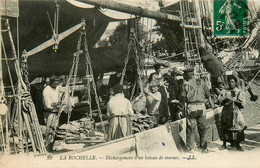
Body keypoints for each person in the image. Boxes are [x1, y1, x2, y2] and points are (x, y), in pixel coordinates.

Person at [179, 68, 211, 153]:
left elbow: (183, 98)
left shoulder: (186, 84)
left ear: (187, 75)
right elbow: (208, 94)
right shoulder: (201, 82)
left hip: (191, 107)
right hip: (201, 107)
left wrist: (180, 108)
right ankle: (204, 148)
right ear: (193, 74)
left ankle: (191, 148)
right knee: (202, 128)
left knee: (190, 129)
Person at [218, 75, 247, 151]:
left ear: (235, 83)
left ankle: (238, 144)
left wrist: (235, 100)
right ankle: (224, 144)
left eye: (232, 82)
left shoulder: (238, 91)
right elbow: (219, 101)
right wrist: (226, 99)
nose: (231, 83)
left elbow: (242, 103)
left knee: (237, 127)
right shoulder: (224, 91)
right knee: (224, 127)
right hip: (226, 111)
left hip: (235, 111)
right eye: (229, 82)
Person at [42, 75, 62, 151]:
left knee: (54, 132)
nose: (56, 85)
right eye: (55, 84)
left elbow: (61, 91)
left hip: (56, 113)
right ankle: (48, 149)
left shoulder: (56, 88)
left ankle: (52, 147)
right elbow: (48, 105)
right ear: (51, 82)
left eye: (57, 84)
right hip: (49, 113)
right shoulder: (47, 90)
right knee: (50, 132)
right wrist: (56, 103)